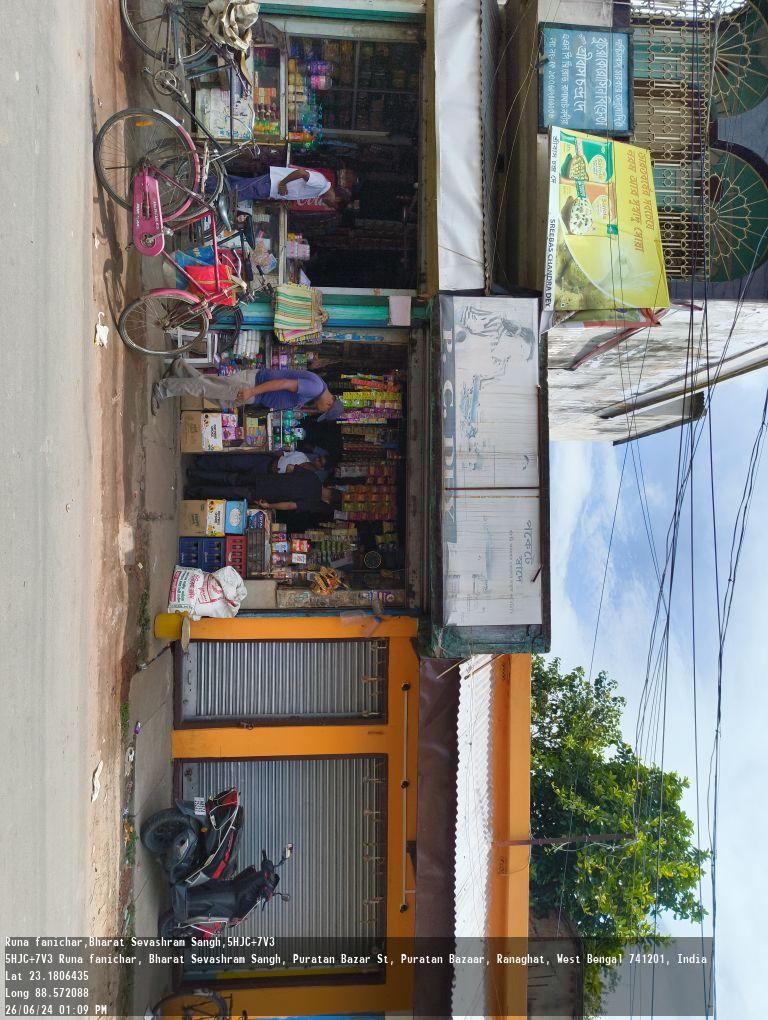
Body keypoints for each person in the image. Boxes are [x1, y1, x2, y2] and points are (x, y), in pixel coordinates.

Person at [152, 359, 344, 419]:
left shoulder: (318, 386)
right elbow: (283, 383)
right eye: (323, 412)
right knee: (206, 389)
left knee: (215, 394)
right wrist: (252, 392)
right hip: (252, 386)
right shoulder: (315, 388)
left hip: (255, 391)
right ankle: (163, 388)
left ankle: (179, 368)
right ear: (328, 405)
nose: (318, 411)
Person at [185, 458, 342, 524]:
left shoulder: (313, 477)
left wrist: (285, 480)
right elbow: (290, 505)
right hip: (264, 495)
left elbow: (290, 467)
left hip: (265, 479)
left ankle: (195, 473)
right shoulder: (313, 502)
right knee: (230, 492)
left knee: (230, 477)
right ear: (327, 501)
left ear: (330, 488)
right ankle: (193, 491)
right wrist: (269, 506)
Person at [226, 165, 345, 210]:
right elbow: (301, 173)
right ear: (337, 198)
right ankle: (215, 192)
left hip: (271, 190)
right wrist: (283, 183)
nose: (328, 205)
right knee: (234, 193)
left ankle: (215, 180)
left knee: (234, 184)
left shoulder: (320, 191)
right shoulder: (321, 183)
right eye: (332, 205)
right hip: (272, 183)